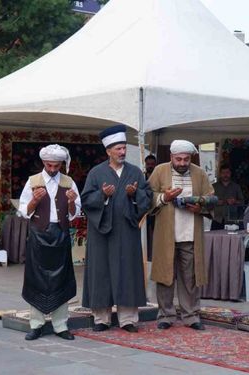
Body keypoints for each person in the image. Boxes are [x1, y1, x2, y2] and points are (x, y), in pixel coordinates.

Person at [81, 124, 152, 333]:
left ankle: (128, 319)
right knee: (101, 272)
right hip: (101, 232)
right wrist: (102, 195)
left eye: (123, 148)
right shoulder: (96, 173)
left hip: (126, 231)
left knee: (127, 272)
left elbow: (147, 199)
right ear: (108, 151)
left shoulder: (135, 173)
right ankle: (101, 319)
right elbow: (86, 201)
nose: (122, 152)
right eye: (118, 149)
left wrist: (134, 195)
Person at [148, 140, 214, 330]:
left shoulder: (199, 173)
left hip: (190, 235)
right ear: (171, 157)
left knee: (190, 277)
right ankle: (166, 315)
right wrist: (164, 198)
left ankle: (191, 315)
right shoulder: (160, 171)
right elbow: (147, 196)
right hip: (166, 235)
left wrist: (199, 207)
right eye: (179, 159)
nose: (183, 163)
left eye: (186, 159)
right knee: (165, 276)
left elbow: (211, 196)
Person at [18, 144, 80, 341]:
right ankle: (36, 324)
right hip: (38, 234)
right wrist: (34, 201)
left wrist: (71, 202)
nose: (52, 170)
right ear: (43, 163)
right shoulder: (33, 181)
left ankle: (60, 325)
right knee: (37, 279)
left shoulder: (68, 182)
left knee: (61, 279)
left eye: (56, 166)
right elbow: (23, 211)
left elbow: (74, 214)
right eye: (49, 165)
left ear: (61, 164)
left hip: (60, 234)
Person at [212, 164, 244, 229]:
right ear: (220, 174)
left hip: (232, 220)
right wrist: (217, 202)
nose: (225, 175)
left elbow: (242, 202)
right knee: (215, 237)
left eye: (227, 172)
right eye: (223, 173)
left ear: (230, 173)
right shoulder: (213, 187)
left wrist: (235, 201)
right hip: (217, 219)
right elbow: (208, 201)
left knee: (233, 238)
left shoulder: (236, 187)